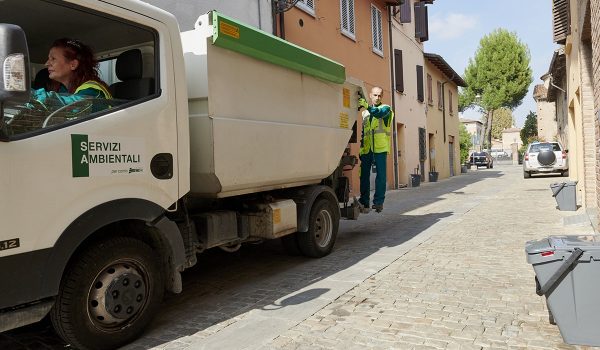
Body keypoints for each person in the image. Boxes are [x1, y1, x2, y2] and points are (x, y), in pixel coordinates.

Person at [32, 38, 112, 115]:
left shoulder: (92, 91)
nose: (47, 63)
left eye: (53, 59)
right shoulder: (63, 89)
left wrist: (27, 95)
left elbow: (67, 107)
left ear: (73, 65)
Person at [358, 86, 394, 213]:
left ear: (382, 97)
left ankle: (378, 202)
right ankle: (364, 202)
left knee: (381, 176)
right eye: (375, 95)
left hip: (380, 147)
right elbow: (364, 132)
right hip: (367, 149)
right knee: (364, 176)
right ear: (370, 95)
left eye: (379, 95)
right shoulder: (365, 113)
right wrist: (361, 149)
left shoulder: (386, 108)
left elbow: (378, 113)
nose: (377, 97)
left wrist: (367, 106)